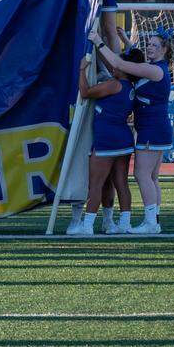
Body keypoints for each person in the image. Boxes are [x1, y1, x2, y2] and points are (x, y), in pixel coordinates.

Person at [92, 27, 172, 234]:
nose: (150, 47)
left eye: (155, 45)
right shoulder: (155, 67)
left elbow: (119, 64)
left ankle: (150, 223)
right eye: (149, 44)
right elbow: (137, 58)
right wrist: (126, 41)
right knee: (152, 178)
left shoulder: (155, 70)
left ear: (164, 49)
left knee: (141, 174)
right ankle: (154, 220)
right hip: (157, 128)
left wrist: (97, 40)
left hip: (151, 130)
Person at [71, 54, 137, 235]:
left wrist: (82, 69)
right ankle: (124, 224)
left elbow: (85, 92)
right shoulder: (129, 86)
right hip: (123, 139)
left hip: (107, 140)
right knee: (121, 184)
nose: (114, 66)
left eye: (118, 64)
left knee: (96, 184)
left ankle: (87, 226)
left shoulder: (114, 85)